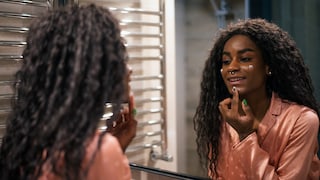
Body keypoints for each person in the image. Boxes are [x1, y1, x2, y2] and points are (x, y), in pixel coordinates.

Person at [0, 4, 137, 180]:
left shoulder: (25, 144)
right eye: (119, 54)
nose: (129, 69)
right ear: (93, 68)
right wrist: (109, 155)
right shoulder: (99, 153)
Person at [193, 18, 319, 179]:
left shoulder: (302, 120)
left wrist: (245, 135)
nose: (231, 67)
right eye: (226, 61)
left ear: (268, 66)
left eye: (245, 59)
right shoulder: (221, 118)